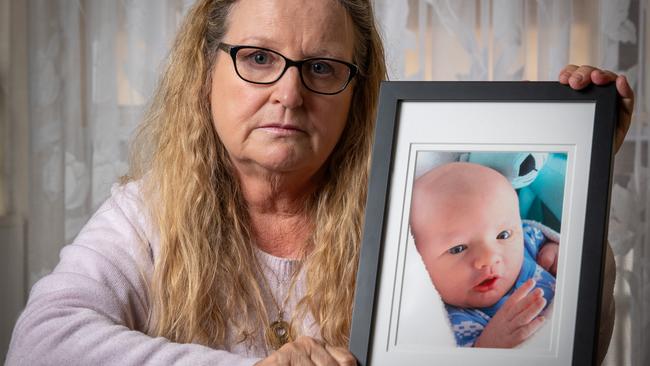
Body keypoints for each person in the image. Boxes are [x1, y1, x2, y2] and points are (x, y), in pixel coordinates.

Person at [5, 0, 635, 364]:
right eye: (257, 58)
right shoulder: (148, 215)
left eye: (323, 67)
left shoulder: (410, 215)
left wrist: (586, 184)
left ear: (356, 94)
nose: (289, 93)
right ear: (206, 75)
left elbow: (556, 350)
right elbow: (41, 344)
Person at [410, 162, 560, 348]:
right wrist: (488, 345)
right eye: (458, 249)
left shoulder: (528, 243)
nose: (488, 258)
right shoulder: (447, 326)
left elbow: (552, 238)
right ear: (418, 260)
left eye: (502, 235)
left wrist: (554, 249)